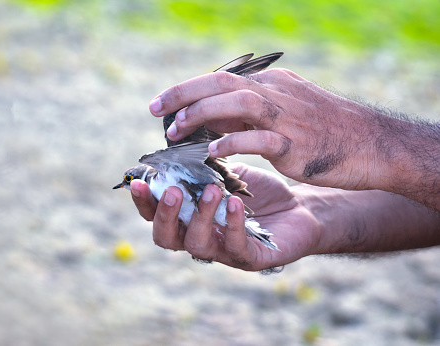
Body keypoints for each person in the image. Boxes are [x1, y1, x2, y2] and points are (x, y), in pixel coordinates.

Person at [130, 68, 440, 271]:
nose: (131, 182)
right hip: (229, 204)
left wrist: (375, 143)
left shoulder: (162, 166)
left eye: (131, 179)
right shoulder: (172, 169)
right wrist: (312, 211)